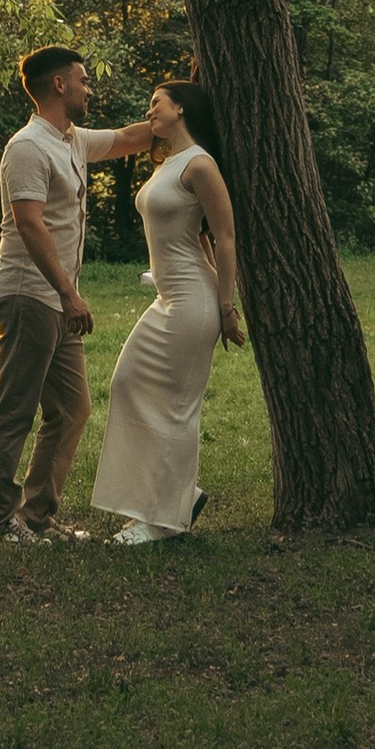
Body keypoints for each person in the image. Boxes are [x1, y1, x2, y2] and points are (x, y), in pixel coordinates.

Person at [0, 44, 153, 544]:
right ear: (59, 84)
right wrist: (68, 293)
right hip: (28, 293)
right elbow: (29, 224)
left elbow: (130, 139)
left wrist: (188, 100)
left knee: (72, 409)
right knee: (15, 409)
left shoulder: (72, 139)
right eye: (83, 80)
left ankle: (36, 516)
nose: (89, 89)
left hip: (59, 299)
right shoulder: (28, 147)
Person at [91, 72, 245, 545]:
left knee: (176, 407)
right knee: (127, 383)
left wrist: (226, 307)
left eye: (156, 101)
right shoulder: (169, 163)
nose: (149, 110)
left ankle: (161, 520)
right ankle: (179, 497)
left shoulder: (200, 164)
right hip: (168, 298)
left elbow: (225, 236)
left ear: (180, 108)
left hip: (194, 300)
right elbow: (196, 236)